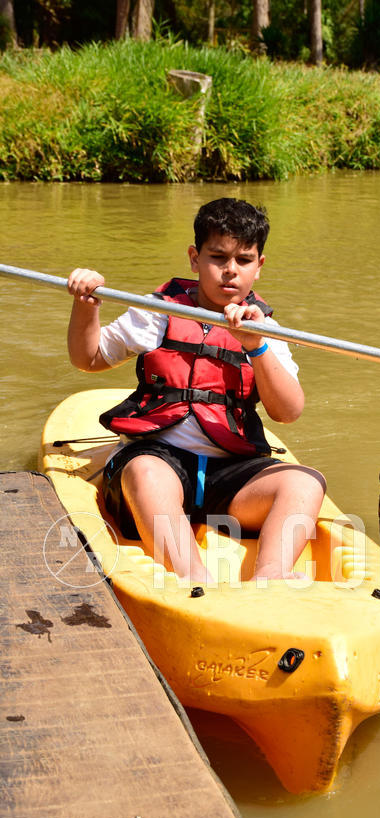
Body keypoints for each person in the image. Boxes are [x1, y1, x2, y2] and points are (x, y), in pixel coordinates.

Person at [67, 197, 326, 587]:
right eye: (217, 257)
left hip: (229, 474)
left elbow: (287, 412)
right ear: (194, 258)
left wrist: (256, 345)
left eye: (243, 260)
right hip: (158, 460)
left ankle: (271, 577)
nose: (230, 272)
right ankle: (194, 580)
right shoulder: (157, 310)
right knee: (146, 472)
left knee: (306, 482)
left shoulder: (266, 328)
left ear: (260, 265)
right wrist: (88, 306)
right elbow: (89, 358)